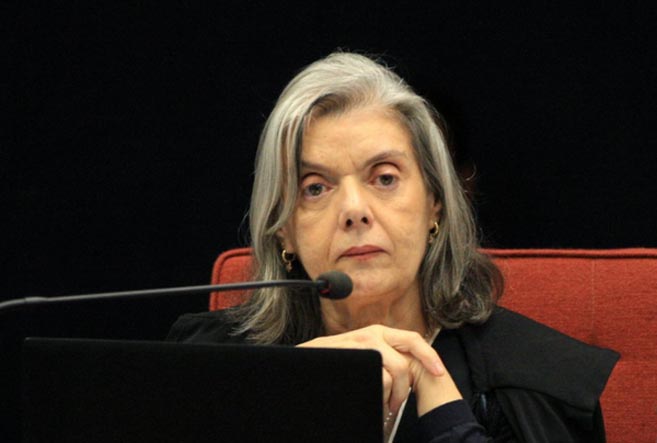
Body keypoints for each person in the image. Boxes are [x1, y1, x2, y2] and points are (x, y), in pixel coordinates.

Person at [168, 52, 619, 442]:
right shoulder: (210, 372)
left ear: (435, 204)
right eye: (315, 188)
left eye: (384, 178)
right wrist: (290, 393)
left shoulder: (536, 388)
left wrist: (448, 420)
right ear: (283, 230)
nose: (354, 210)